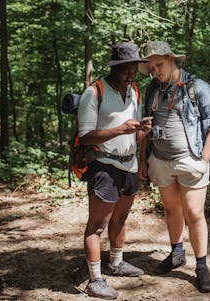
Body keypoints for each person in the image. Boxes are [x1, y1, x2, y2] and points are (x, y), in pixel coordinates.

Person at [138, 41, 210, 293]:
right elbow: (147, 126)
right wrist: (144, 158)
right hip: (160, 160)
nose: (155, 71)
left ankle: (201, 266)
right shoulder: (153, 88)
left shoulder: (197, 87)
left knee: (194, 214)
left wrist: (203, 159)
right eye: (151, 67)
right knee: (171, 209)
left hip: (191, 159)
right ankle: (177, 254)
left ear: (172, 58)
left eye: (159, 65)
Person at [77, 42, 152, 299]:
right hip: (103, 165)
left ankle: (117, 262)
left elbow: (136, 135)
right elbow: (86, 137)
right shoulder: (94, 91)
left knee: (120, 219)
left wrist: (143, 130)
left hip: (129, 164)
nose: (130, 72)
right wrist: (121, 129)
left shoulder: (135, 91)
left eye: (134, 67)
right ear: (114, 66)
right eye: (125, 67)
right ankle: (95, 279)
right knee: (96, 225)